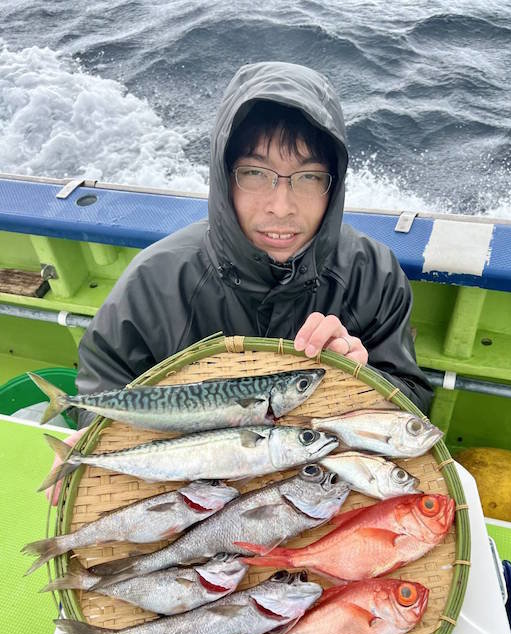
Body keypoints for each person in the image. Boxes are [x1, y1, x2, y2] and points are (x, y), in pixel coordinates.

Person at [47, 61, 433, 501]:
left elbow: (414, 404)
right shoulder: (154, 282)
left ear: (334, 185)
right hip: (185, 496)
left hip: (320, 494)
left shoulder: (374, 274)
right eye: (255, 173)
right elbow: (104, 390)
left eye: (308, 177)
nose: (281, 206)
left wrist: (368, 383)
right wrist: (94, 443)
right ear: (223, 176)